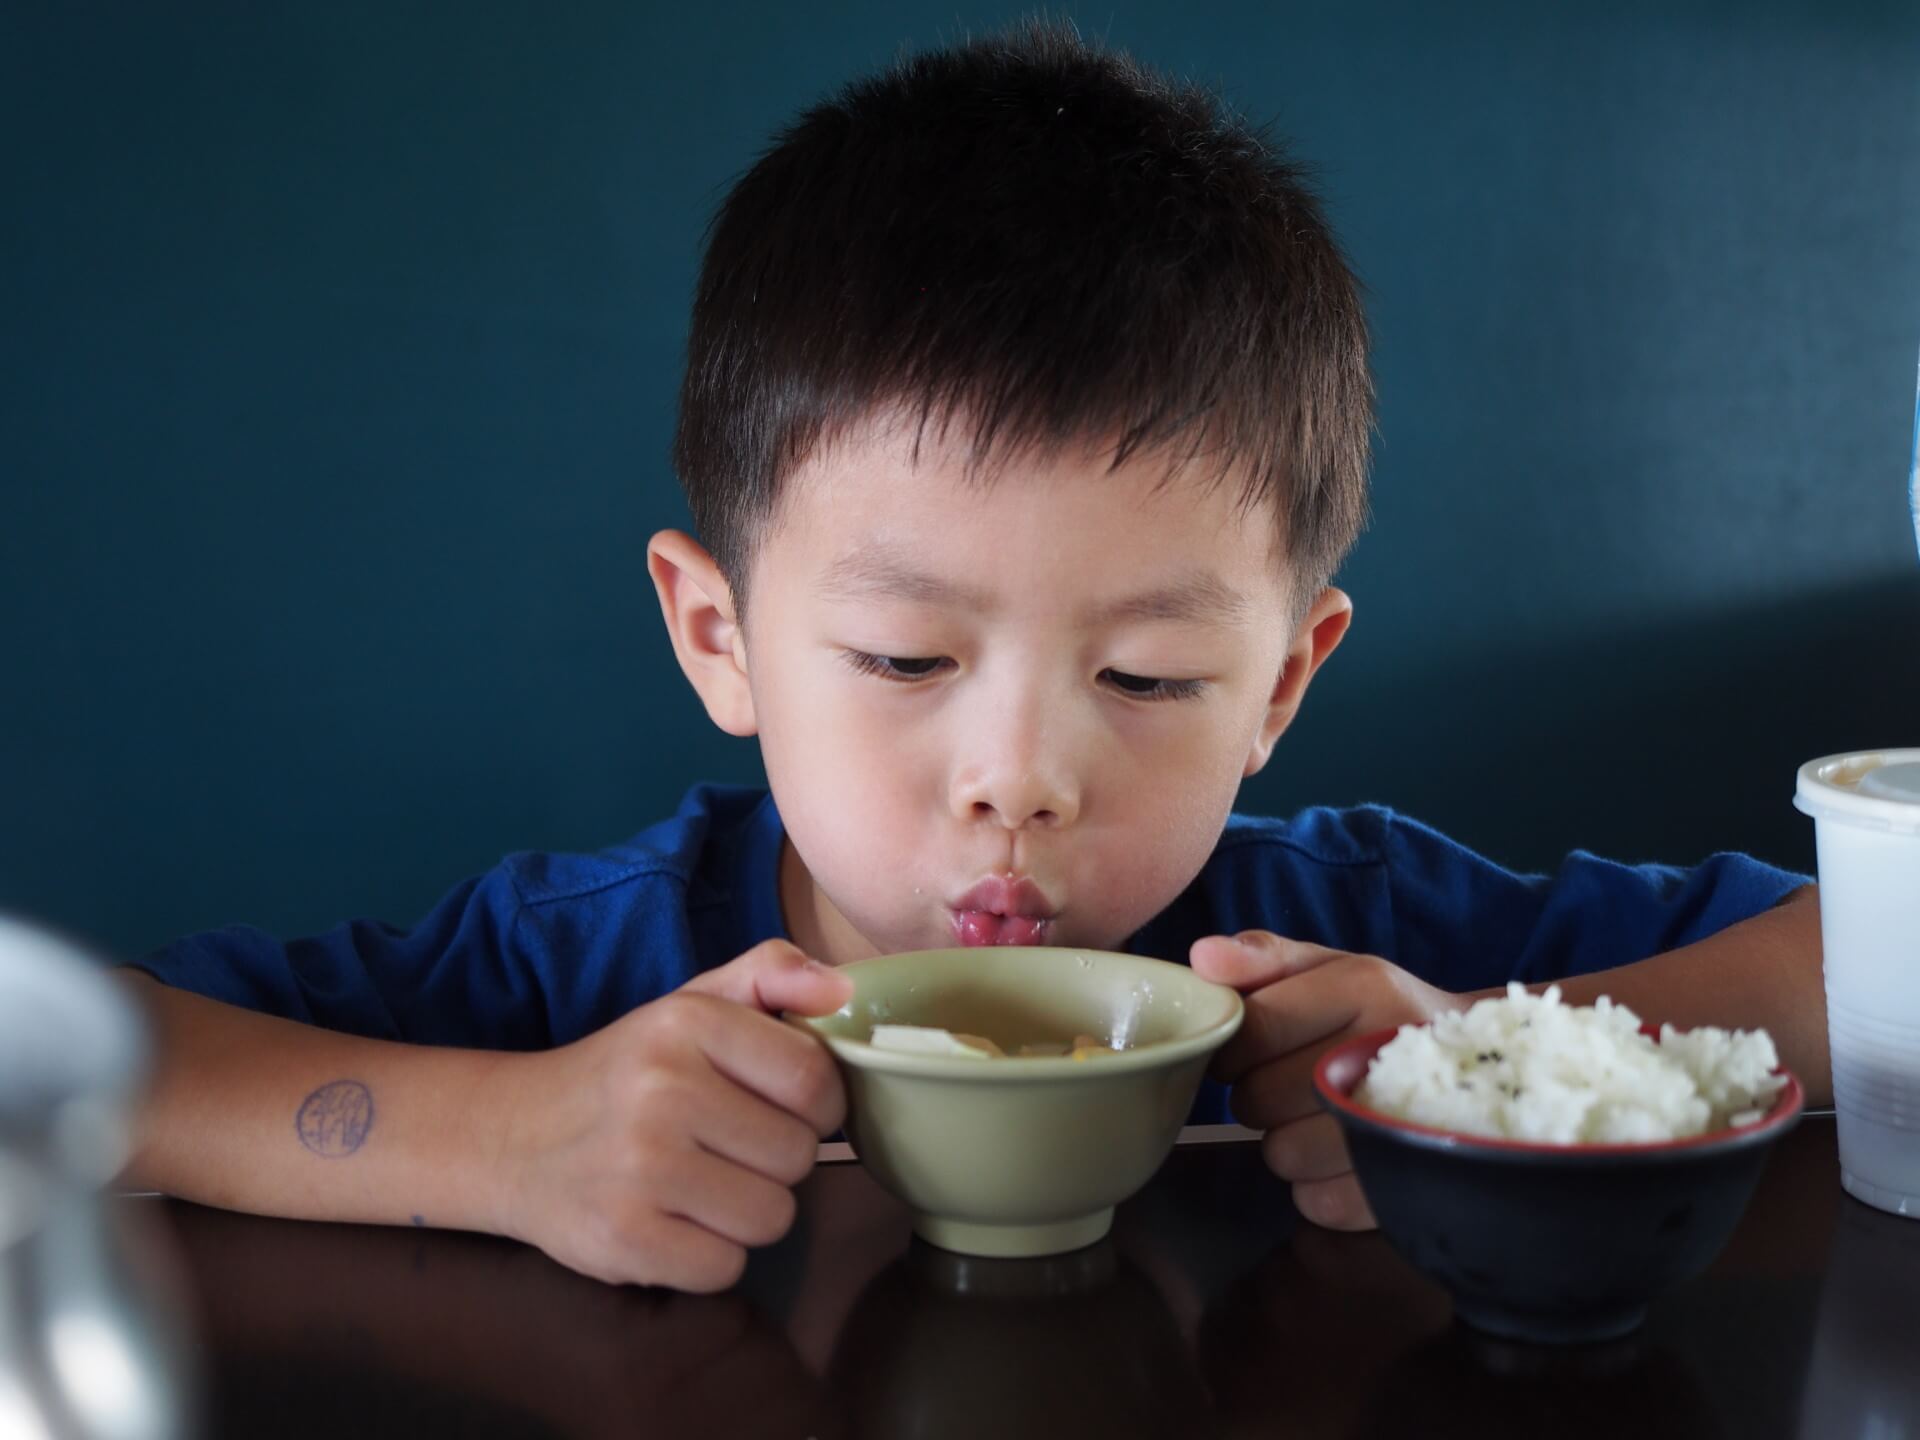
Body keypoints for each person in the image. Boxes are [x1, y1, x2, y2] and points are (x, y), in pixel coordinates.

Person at [117, 18, 1827, 1292]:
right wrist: (497, 1140)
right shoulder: (582, 976)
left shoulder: (1347, 948)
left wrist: (1473, 1074)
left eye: (1148, 677)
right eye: (904, 657)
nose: (1021, 777)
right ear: (721, 638)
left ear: (1284, 687)